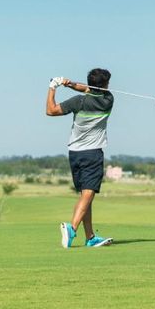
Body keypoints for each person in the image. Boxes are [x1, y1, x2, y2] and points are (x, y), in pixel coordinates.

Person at [46, 68, 114, 248]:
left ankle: (90, 237)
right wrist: (71, 85)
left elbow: (51, 110)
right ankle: (72, 229)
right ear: (105, 85)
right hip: (92, 153)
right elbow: (89, 89)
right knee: (88, 194)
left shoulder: (78, 101)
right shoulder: (108, 100)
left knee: (86, 195)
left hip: (74, 153)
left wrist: (53, 87)